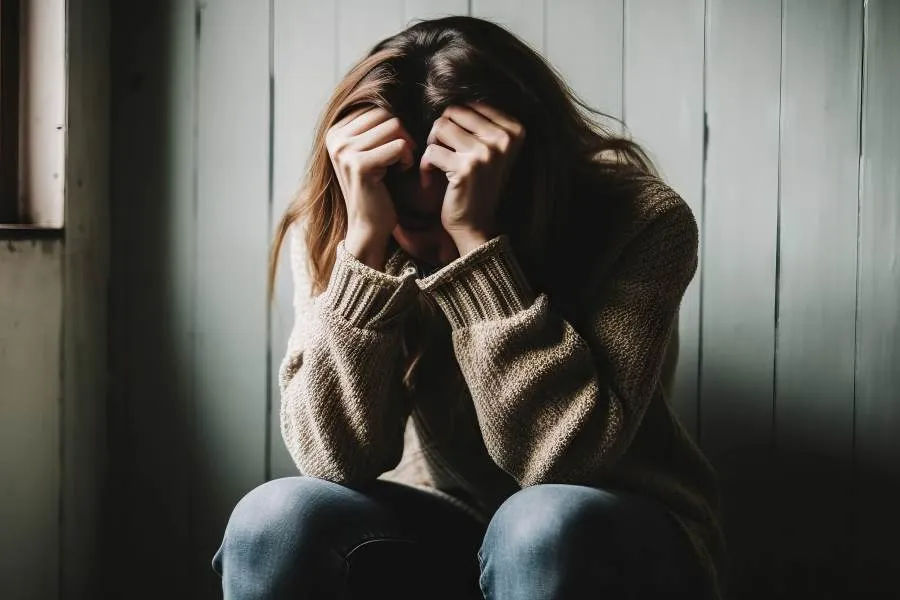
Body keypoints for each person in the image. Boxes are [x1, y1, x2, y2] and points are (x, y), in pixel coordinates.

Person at [212, 15, 726, 600]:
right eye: (408, 219)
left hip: (617, 524)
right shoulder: (343, 226)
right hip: (450, 518)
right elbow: (332, 458)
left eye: (445, 211)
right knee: (274, 519)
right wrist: (364, 254)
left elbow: (563, 459)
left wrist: (476, 249)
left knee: (538, 527)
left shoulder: (642, 220)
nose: (423, 244)